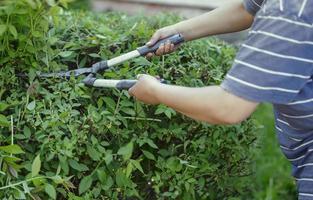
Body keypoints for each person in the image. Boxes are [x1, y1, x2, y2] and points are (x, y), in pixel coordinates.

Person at [128, 0, 313, 199]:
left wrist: (155, 91)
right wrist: (177, 31)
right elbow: (248, 8)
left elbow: (229, 106)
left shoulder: (291, 11)